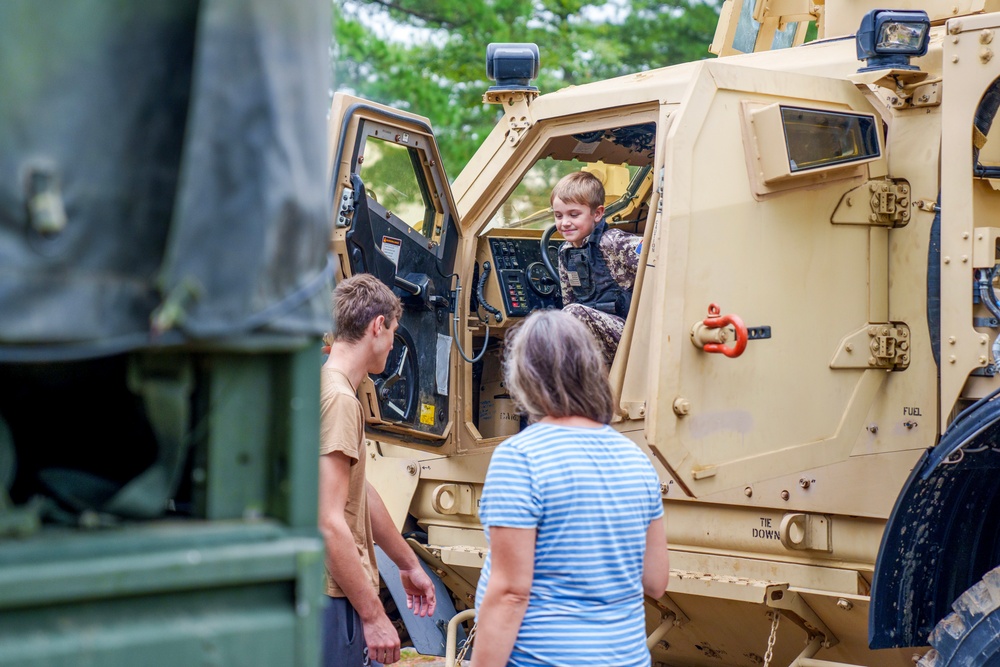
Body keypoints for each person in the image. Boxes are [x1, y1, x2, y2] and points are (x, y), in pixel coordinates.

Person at [471, 309, 670, 667]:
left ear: (523, 378)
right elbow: (656, 581)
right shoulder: (636, 460)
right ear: (592, 370)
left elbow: (510, 593)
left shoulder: (521, 458)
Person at [319, 273, 437, 667]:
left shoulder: (327, 387)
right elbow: (330, 521)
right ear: (377, 325)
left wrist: (407, 563)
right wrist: (374, 616)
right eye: (393, 332)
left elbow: (359, 492)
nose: (391, 344)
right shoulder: (340, 401)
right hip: (332, 597)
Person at [553, 170, 641, 367]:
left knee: (572, 315)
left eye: (574, 215)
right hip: (596, 334)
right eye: (558, 215)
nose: (564, 223)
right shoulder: (565, 252)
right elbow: (569, 302)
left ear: (598, 213)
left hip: (631, 334)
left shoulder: (614, 242)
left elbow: (661, 257)